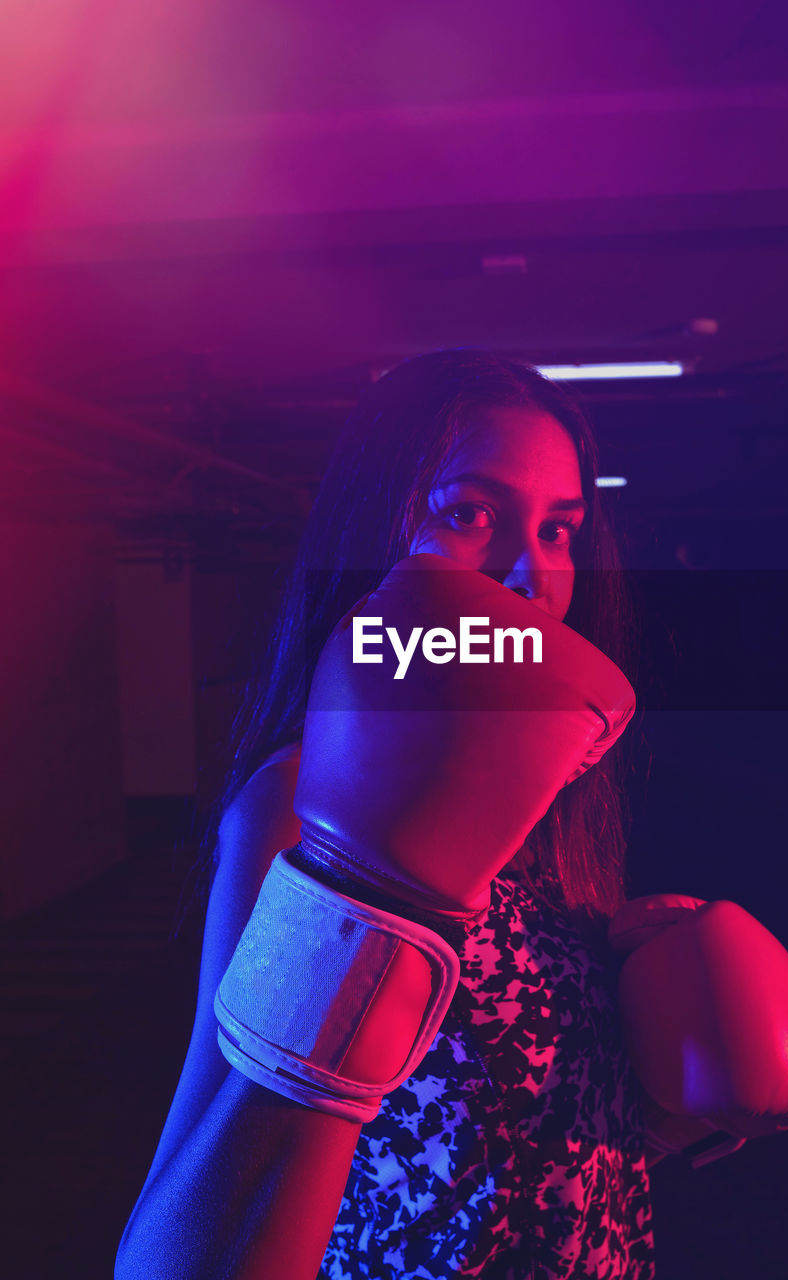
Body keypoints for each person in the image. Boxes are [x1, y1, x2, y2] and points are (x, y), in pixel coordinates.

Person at [116, 349, 656, 1279]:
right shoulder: (293, 803)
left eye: (560, 529)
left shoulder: (551, 796)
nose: (532, 573)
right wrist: (369, 898)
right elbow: (178, 1257)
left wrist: (653, 1037)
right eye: (470, 514)